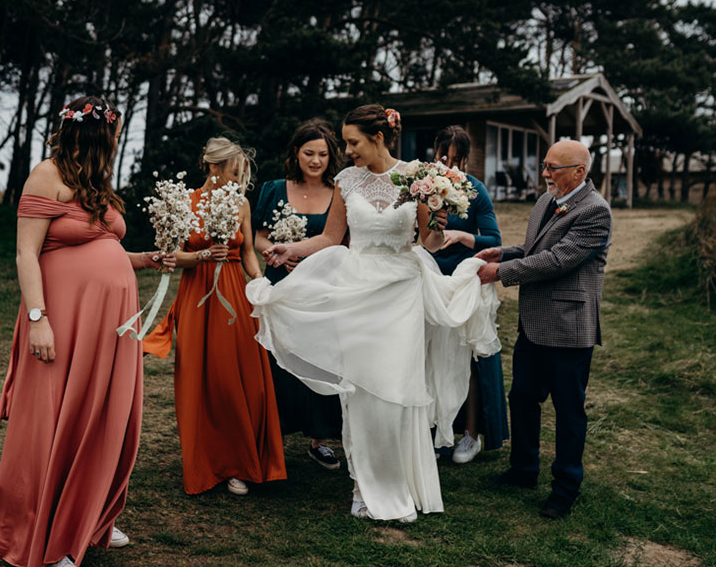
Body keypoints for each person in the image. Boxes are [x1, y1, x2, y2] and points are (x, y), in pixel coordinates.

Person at [247, 104, 500, 523]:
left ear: (378, 138)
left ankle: (399, 483)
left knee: (398, 390)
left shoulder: (418, 175)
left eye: (353, 142)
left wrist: (438, 213)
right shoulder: (347, 180)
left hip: (402, 289)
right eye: (345, 143)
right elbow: (331, 237)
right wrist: (291, 249)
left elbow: (430, 243)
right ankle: (363, 486)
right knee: (362, 391)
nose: (346, 151)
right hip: (358, 285)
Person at [0, 96, 175, 567]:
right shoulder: (46, 175)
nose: (109, 143)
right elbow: (27, 255)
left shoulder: (96, 184)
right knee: (54, 422)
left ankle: (92, 517)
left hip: (110, 325)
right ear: (89, 135)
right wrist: (37, 319)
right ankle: (46, 542)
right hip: (63, 320)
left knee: (107, 415)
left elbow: (104, 246)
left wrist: (147, 258)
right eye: (106, 134)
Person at [476, 139, 612, 520]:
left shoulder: (596, 212)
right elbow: (536, 248)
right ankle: (523, 470)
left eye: (554, 167)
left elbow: (557, 260)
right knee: (521, 398)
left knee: (569, 412)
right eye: (545, 165)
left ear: (579, 172)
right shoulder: (546, 201)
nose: (546, 173)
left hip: (569, 327)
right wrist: (502, 253)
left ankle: (565, 488)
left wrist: (500, 273)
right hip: (533, 325)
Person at [143, 136, 286, 497]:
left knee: (237, 379)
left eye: (242, 174)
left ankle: (240, 462)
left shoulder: (240, 203)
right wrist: (205, 256)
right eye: (233, 172)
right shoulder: (184, 202)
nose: (239, 181)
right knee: (199, 380)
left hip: (234, 297)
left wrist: (261, 282)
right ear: (212, 167)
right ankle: (207, 463)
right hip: (196, 297)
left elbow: (248, 250)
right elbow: (173, 256)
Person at [252, 119, 344, 470]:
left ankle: (318, 440)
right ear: (296, 153)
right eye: (309, 153)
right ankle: (273, 437)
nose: (316, 160)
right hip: (280, 285)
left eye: (322, 154)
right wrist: (275, 251)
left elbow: (339, 240)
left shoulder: (339, 193)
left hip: (321, 288)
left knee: (318, 359)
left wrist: (303, 255)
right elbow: (258, 237)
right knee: (276, 362)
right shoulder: (275, 188)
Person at [427, 126, 507, 464]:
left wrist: (462, 235)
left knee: (468, 359)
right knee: (427, 357)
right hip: (427, 278)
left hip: (462, 283)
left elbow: (494, 239)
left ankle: (470, 434)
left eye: (456, 159)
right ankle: (428, 429)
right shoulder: (420, 186)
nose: (448, 164)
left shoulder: (476, 191)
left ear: (466, 160)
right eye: (443, 157)